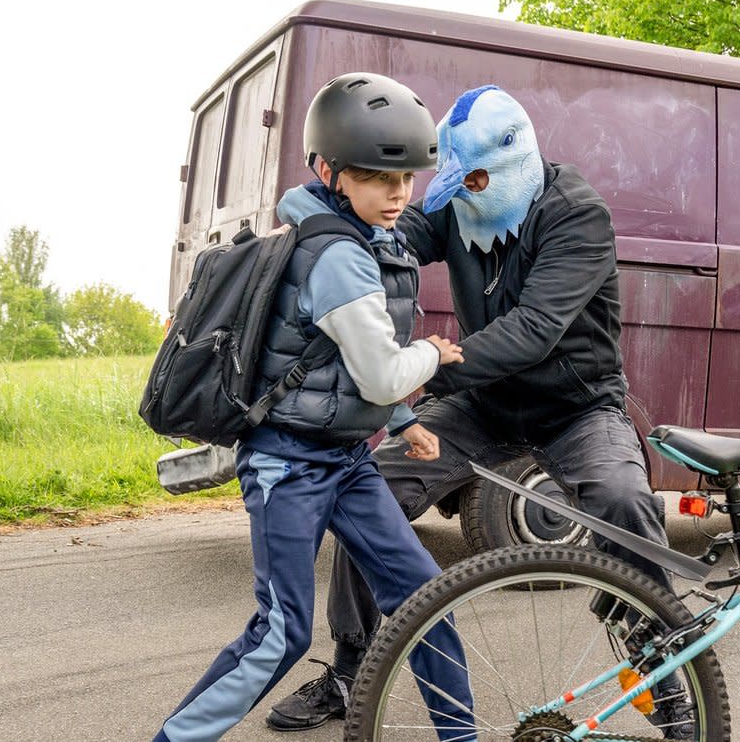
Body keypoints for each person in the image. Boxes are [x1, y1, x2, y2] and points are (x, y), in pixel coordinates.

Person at [267, 85, 695, 739]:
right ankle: (348, 669)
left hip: (577, 407)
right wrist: (326, 243)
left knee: (622, 500)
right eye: (452, 184)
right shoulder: (459, 200)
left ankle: (667, 680)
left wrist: (423, 362)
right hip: (484, 405)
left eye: (470, 183)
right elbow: (396, 232)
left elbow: (534, 330)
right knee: (367, 489)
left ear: (509, 164)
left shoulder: (575, 214)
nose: (459, 197)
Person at [152, 72, 477, 742]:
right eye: (377, 177)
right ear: (330, 171)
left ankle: (463, 737)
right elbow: (385, 369)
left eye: (408, 179)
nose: (397, 195)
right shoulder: (336, 256)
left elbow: (338, 362)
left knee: (427, 600)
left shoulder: (370, 242)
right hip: (287, 465)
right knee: (282, 631)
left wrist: (404, 424)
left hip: (347, 461)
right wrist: (435, 357)